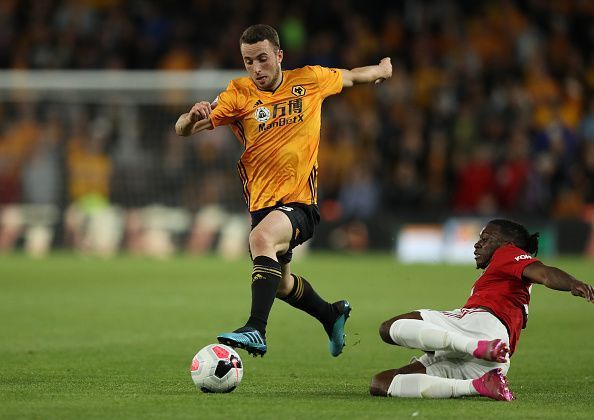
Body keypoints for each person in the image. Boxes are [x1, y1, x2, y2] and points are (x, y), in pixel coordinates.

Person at [175, 24, 392, 357]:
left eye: (262, 59)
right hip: (262, 205)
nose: (257, 69)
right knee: (280, 283)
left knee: (260, 240)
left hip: (300, 202)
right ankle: (330, 314)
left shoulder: (309, 79)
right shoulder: (238, 94)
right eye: (249, 62)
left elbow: (350, 76)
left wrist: (380, 70)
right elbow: (183, 130)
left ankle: (255, 329)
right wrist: (192, 117)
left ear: (279, 55)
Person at [370, 219, 593, 401]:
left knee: (388, 328)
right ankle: (477, 386)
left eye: (485, 239)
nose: (477, 245)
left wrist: (573, 283)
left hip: (480, 325)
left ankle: (473, 346)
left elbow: (544, 273)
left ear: (508, 244)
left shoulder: (508, 254)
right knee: (382, 383)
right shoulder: (507, 273)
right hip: (494, 361)